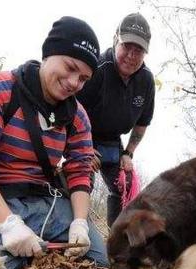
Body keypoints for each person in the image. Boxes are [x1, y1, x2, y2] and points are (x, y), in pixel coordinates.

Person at [0, 16, 108, 269]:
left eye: (83, 79)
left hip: (46, 202)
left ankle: (31, 246)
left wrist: (80, 222)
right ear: (48, 54)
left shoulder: (77, 116)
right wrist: (8, 224)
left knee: (99, 263)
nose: (73, 82)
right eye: (69, 67)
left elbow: (80, 171)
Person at [77, 13, 155, 226]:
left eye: (138, 49)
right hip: (84, 137)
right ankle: (78, 230)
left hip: (113, 141)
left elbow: (142, 122)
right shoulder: (97, 69)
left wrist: (128, 153)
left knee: (126, 184)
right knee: (82, 176)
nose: (131, 55)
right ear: (115, 41)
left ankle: (117, 238)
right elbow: (71, 110)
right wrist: (82, 148)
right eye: (126, 46)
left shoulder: (146, 81)